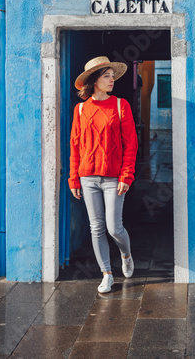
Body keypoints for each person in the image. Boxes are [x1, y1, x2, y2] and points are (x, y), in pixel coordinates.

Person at [68, 56, 138, 293]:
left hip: (113, 177)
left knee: (114, 227)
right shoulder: (80, 110)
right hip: (87, 177)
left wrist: (126, 175)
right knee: (96, 227)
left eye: (112, 76)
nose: (112, 80)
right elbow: (75, 145)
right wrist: (73, 178)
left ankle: (126, 254)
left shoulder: (120, 105)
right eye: (106, 76)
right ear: (94, 81)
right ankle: (107, 273)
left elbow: (131, 144)